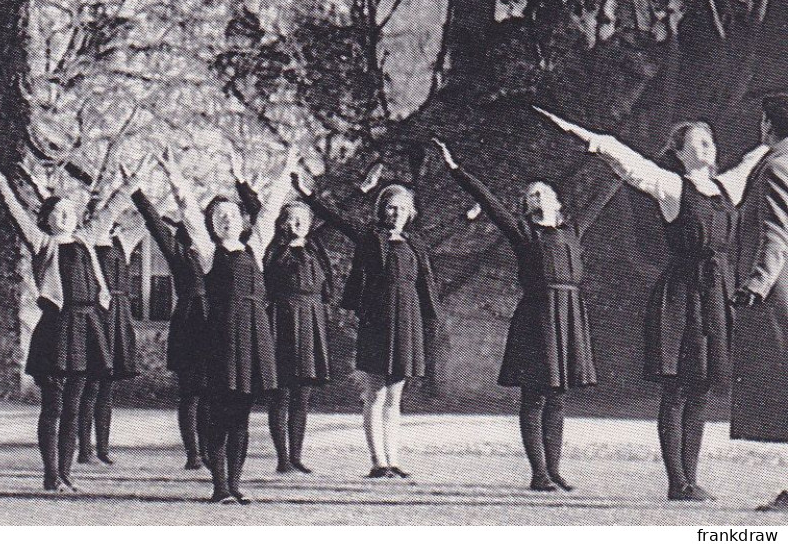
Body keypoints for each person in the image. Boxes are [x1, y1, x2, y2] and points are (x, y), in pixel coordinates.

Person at [537, 107, 768, 501]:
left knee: (701, 389)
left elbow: (758, 154)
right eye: (700, 140)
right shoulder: (671, 186)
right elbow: (623, 158)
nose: (710, 145)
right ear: (680, 152)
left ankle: (691, 480)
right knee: (677, 388)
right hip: (682, 295)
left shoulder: (729, 186)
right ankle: (677, 481)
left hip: (716, 296)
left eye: (711, 139)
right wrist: (575, 129)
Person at [433, 138, 611, 492]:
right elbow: (489, 202)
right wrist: (456, 170)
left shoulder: (573, 229)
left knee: (558, 396)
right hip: (538, 317)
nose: (537, 198)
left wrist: (615, 159)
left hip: (569, 314)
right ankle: (538, 472)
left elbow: (604, 192)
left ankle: (555, 469)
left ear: (557, 201)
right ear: (527, 206)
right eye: (531, 196)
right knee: (535, 395)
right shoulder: (522, 233)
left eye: (543, 193)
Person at [0, 142, 111, 493]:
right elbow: (13, 208)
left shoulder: (85, 240)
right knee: (53, 406)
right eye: (58, 212)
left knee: (74, 407)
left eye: (70, 211)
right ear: (47, 218)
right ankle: (51, 474)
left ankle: (67, 474)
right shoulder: (42, 242)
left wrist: (134, 180)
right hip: (57, 327)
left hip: (87, 328)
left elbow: (115, 207)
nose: (65, 216)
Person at [163, 151, 294, 504]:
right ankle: (219, 486)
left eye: (232, 215)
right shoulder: (207, 252)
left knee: (242, 415)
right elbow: (188, 214)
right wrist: (174, 174)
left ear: (241, 220)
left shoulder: (255, 247)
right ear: (212, 223)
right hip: (220, 339)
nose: (226, 221)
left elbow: (270, 211)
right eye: (219, 217)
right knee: (219, 413)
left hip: (254, 336)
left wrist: (286, 169)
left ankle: (235, 484)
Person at [303, 178, 439, 480]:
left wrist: (430, 317)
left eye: (401, 209)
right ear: (382, 210)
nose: (395, 213)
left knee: (395, 397)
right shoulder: (369, 237)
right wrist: (310, 197)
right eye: (390, 208)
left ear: (410, 212)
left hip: (408, 321)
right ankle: (378, 462)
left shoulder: (416, 243)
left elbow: (425, 281)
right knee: (375, 394)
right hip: (377, 320)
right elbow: (338, 218)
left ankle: (394, 460)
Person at [730, 93, 788, 512]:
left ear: (769, 124)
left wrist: (755, 284)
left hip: (780, 295)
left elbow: (775, 233)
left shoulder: (777, 165)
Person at [131, 176, 211, 470]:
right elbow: (154, 223)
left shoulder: (222, 253)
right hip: (190, 322)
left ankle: (209, 449)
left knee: (211, 393)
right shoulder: (180, 253)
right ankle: (193, 453)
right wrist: (138, 193)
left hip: (217, 323)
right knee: (190, 391)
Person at [262, 190, 336, 474]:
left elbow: (335, 217)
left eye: (301, 220)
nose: (296, 224)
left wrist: (362, 190)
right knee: (281, 394)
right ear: (282, 223)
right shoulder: (273, 250)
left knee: (302, 395)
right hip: (281, 321)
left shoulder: (316, 247)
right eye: (291, 220)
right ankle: (282, 459)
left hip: (311, 321)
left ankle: (297, 456)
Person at [76, 173, 143, 468]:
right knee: (90, 384)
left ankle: (102, 448)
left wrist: (139, 186)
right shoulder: (86, 242)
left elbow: (148, 221)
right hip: (97, 313)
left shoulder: (123, 241)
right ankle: (84, 448)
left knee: (107, 387)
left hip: (120, 314)